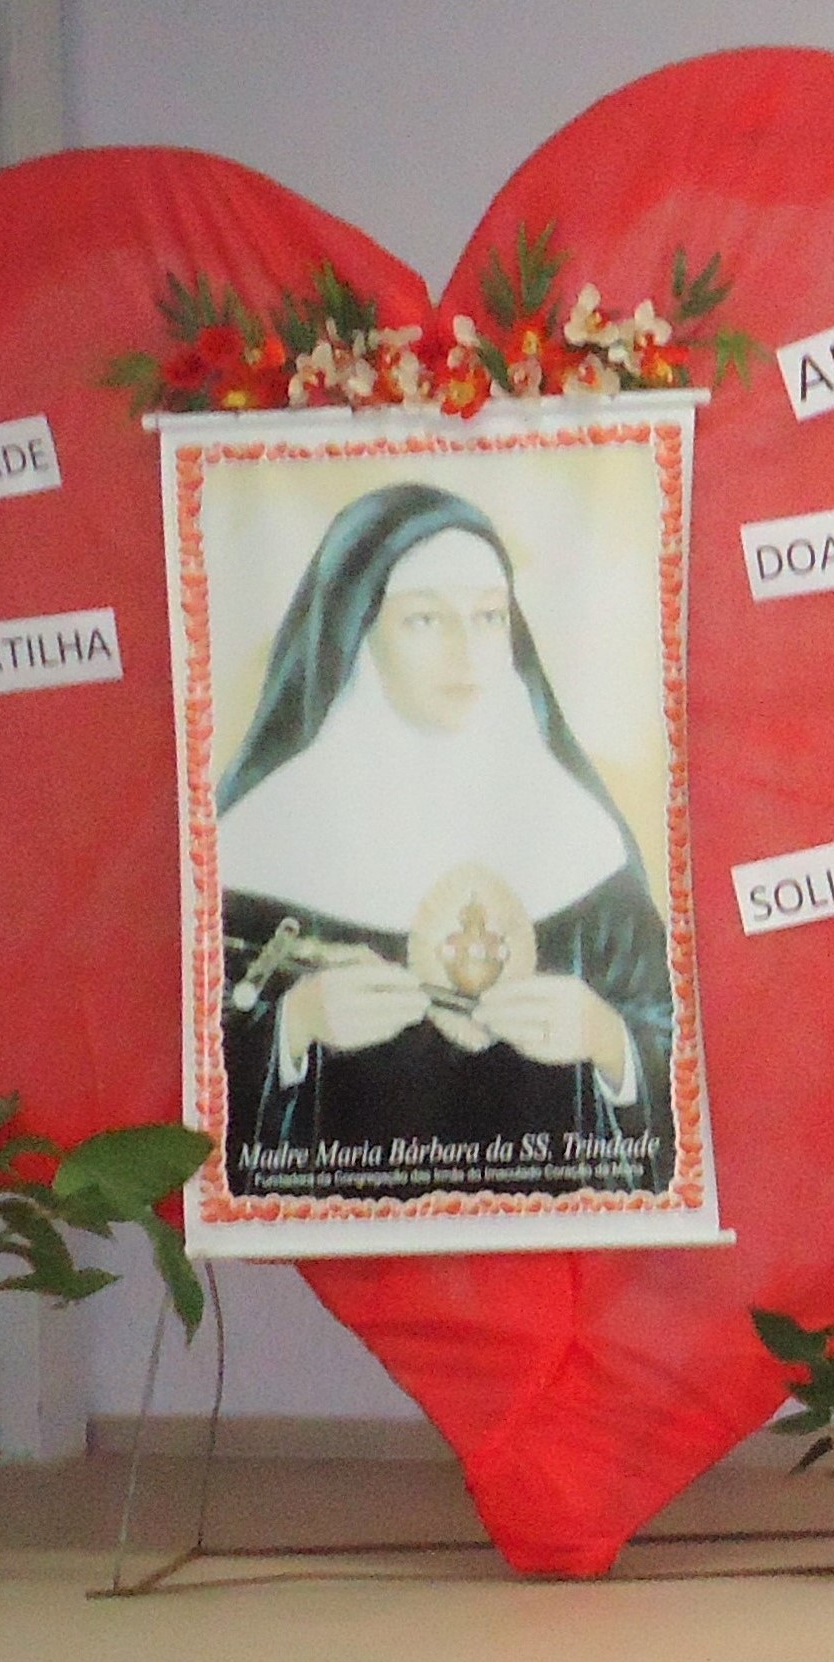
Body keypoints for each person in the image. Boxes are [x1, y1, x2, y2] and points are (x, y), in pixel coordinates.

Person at [212, 481, 678, 1194]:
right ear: (358, 629)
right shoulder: (260, 845)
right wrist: (292, 1030)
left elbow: (670, 1035)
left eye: (489, 617)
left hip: (554, 1229)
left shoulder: (581, 837)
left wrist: (608, 1042)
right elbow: (194, 1072)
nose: (467, 651)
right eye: (425, 620)